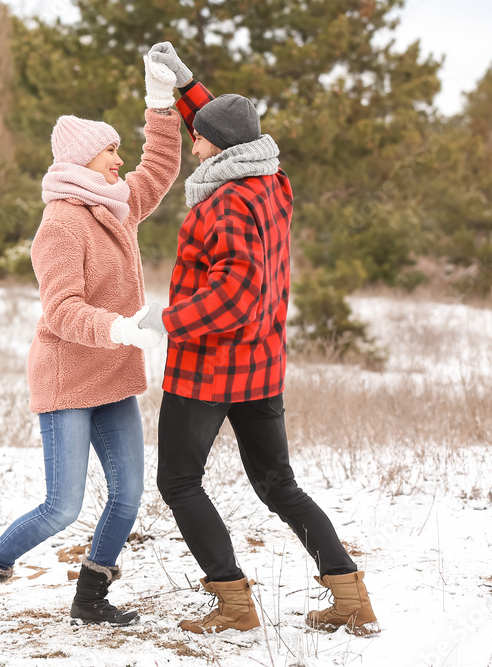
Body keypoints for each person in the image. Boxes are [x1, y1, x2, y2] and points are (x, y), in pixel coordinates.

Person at [138, 42, 380, 637]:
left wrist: (166, 322)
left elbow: (234, 297)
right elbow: (225, 125)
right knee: (278, 485)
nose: (192, 143)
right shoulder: (273, 184)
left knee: (178, 482)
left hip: (208, 372)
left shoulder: (222, 206)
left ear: (218, 151)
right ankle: (350, 597)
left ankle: (234, 604)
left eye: (198, 138)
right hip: (260, 368)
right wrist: (187, 86)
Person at [0, 56, 183, 640]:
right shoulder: (61, 226)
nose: (120, 161)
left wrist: (160, 100)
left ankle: (91, 597)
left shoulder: (116, 207)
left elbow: (160, 166)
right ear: (83, 161)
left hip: (111, 376)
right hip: (68, 378)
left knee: (128, 496)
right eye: (110, 153)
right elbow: (62, 310)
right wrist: (121, 329)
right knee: (61, 506)